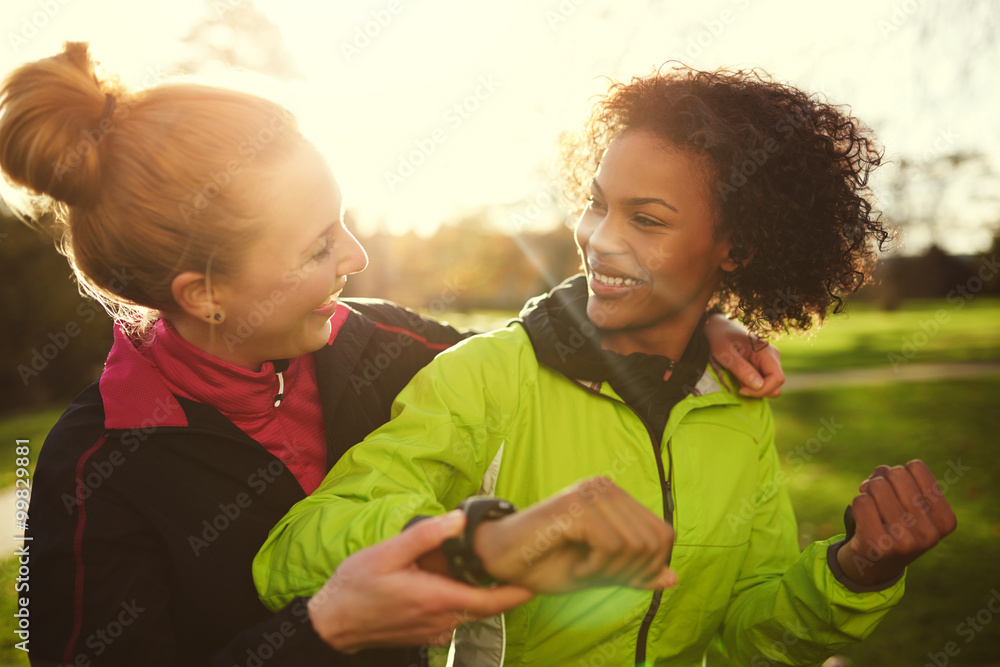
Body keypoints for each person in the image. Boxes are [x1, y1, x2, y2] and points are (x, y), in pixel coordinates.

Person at [0, 44, 783, 666]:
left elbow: (533, 352)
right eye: (316, 246)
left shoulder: (382, 344)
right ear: (206, 295)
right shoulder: (88, 473)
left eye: (340, 220)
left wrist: (690, 322)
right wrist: (326, 629)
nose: (357, 254)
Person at [252, 66, 958, 666]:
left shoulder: (736, 405)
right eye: (596, 204)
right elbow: (293, 554)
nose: (599, 239)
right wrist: (481, 541)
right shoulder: (490, 374)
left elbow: (749, 637)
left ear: (735, 248)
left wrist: (854, 572)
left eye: (645, 220)